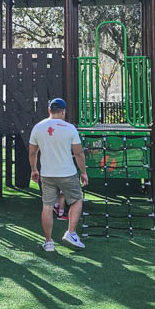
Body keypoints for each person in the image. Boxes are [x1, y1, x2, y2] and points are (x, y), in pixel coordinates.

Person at [28, 98, 88, 251]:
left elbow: (33, 152)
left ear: (49, 110)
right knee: (76, 200)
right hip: (67, 173)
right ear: (63, 112)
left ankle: (48, 242)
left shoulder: (38, 127)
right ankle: (71, 232)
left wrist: (34, 170)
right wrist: (83, 172)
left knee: (47, 206)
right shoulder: (70, 128)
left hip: (47, 174)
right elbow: (79, 153)